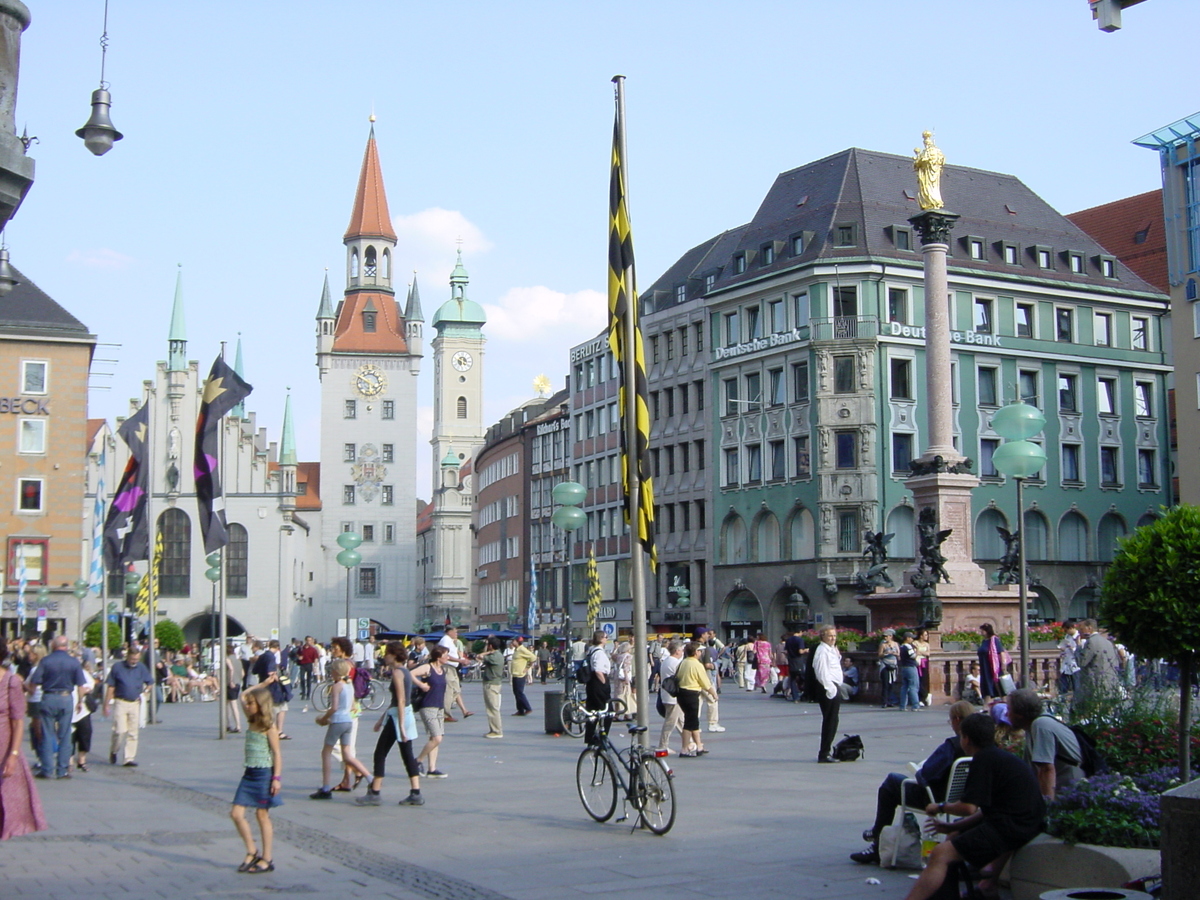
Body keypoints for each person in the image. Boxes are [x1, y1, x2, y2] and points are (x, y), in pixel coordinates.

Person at [902, 713, 1045, 900]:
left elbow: (968, 808)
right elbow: (987, 810)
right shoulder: (998, 756)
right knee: (953, 837)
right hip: (1027, 821)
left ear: (966, 738)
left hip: (1014, 827)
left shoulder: (983, 760)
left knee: (941, 853)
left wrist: (940, 807)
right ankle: (982, 887)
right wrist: (953, 827)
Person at [850, 700, 976, 863]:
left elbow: (927, 774)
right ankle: (876, 836)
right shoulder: (975, 747)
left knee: (891, 782)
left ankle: (877, 839)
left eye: (951, 720)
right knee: (895, 782)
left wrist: (919, 770)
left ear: (957, 719)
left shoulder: (951, 746)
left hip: (932, 797)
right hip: (955, 797)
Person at [358, 642, 423, 807]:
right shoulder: (406, 671)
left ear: (394, 655)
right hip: (404, 715)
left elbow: (400, 699)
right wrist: (381, 719)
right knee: (407, 754)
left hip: (398, 718)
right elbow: (398, 701)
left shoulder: (397, 673)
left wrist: (400, 725)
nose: (384, 656)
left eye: (387, 653)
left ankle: (375, 792)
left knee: (380, 753)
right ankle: (415, 792)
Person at [230, 686, 282, 874]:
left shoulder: (269, 727)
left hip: (264, 774)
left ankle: (267, 858)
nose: (248, 705)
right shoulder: (251, 719)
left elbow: (277, 753)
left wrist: (276, 778)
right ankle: (252, 850)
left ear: (260, 705)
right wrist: (263, 684)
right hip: (249, 773)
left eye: (252, 703)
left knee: (262, 815)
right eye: (249, 703)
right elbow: (242, 695)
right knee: (236, 813)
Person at [0, 636, 47, 839]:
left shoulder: (10, 681)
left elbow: (18, 721)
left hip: (3, 750)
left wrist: (14, 754)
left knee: (6, 805)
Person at [1006, 688, 1083, 801]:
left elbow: (1047, 769)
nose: (1006, 713)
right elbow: (1030, 772)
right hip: (1063, 792)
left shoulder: (1041, 725)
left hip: (1067, 796)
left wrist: (1047, 807)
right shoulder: (1032, 727)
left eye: (1008, 709)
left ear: (1020, 714)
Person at [310, 659, 372, 799]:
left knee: (326, 752)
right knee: (347, 755)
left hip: (338, 721)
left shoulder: (337, 686)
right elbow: (352, 706)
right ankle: (370, 777)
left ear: (335, 672)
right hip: (348, 721)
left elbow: (334, 708)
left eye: (331, 670)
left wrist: (324, 718)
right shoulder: (349, 684)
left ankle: (325, 787)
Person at [28, 636, 87, 780]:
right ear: (66, 646)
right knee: (65, 735)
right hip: (66, 698)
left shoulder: (46, 661)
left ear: (53, 646)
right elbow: (81, 685)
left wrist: (30, 693)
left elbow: (34, 681)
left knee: (47, 734)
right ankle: (62, 770)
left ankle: (47, 770)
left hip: (48, 697)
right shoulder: (73, 662)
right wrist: (80, 701)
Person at [104, 647, 152, 766]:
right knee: (120, 730)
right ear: (127, 657)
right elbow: (111, 686)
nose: (134, 661)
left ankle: (129, 758)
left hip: (135, 702)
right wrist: (106, 704)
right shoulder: (118, 667)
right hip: (121, 701)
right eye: (132, 659)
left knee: (133, 732)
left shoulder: (141, 667)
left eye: (136, 659)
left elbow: (150, 682)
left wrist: (146, 691)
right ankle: (114, 750)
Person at [409, 645, 449, 778]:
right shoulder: (428, 668)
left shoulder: (442, 670)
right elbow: (410, 674)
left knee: (435, 738)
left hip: (439, 707)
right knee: (437, 738)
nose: (448, 657)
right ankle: (417, 760)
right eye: (446, 655)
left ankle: (432, 768)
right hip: (427, 706)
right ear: (438, 656)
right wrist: (421, 685)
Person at [674, 642, 714, 757]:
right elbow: (705, 683)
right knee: (689, 723)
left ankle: (699, 746)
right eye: (700, 651)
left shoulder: (683, 662)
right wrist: (713, 694)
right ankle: (684, 749)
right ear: (696, 652)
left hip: (681, 694)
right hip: (691, 694)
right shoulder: (696, 664)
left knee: (693, 720)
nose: (701, 653)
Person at [814, 626, 845, 763]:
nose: (833, 638)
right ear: (823, 636)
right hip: (828, 687)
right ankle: (824, 753)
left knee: (833, 720)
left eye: (834, 635)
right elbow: (821, 671)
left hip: (834, 685)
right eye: (830, 636)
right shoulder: (822, 651)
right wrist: (830, 689)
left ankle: (826, 750)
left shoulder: (831, 649)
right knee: (830, 720)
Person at [1076, 619, 1121, 703]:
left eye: (1081, 629)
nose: (1079, 632)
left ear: (1089, 628)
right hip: (1111, 682)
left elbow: (1082, 662)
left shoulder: (1091, 641)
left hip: (1096, 683)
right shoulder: (1107, 642)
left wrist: (1078, 647)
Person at [437, 626, 473, 722]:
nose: (456, 634)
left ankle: (463, 711)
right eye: (455, 632)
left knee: (456, 689)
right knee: (449, 691)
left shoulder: (450, 641)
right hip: (447, 667)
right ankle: (445, 714)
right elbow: (446, 656)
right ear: (449, 632)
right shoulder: (445, 640)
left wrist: (461, 659)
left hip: (453, 668)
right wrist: (459, 660)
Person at [655, 641, 685, 755]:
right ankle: (662, 745)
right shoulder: (675, 663)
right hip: (673, 697)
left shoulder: (666, 661)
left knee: (680, 720)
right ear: (677, 651)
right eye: (681, 650)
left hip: (667, 695)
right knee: (671, 722)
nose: (682, 652)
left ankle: (690, 742)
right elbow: (681, 677)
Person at [582, 630, 612, 745]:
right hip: (599, 682)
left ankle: (589, 737)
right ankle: (602, 738)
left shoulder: (591, 650)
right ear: (600, 639)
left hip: (591, 683)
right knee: (608, 712)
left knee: (592, 711)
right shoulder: (599, 653)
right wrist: (604, 682)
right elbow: (598, 670)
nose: (607, 639)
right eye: (605, 637)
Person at [71, 661, 98, 773]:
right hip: (68, 709)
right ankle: (69, 761)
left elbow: (90, 685)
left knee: (85, 734)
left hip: (83, 710)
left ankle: (82, 760)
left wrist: (85, 691)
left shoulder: (82, 672)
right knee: (69, 737)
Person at [479, 637, 505, 739]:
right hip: (495, 683)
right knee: (493, 708)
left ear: (490, 646)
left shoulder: (494, 657)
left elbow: (480, 656)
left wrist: (486, 650)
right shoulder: (498, 654)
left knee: (492, 708)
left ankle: (497, 731)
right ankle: (493, 729)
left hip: (491, 684)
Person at [977, 623, 1006, 702]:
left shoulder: (994, 640)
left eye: (982, 630)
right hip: (985, 666)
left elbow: (1001, 652)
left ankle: (1004, 701)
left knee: (998, 684)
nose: (981, 632)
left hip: (993, 666)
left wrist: (1003, 664)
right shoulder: (984, 641)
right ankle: (987, 704)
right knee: (986, 684)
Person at [509, 637, 535, 716]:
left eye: (513, 641)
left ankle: (528, 708)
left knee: (519, 692)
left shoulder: (522, 649)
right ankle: (520, 710)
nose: (512, 642)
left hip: (520, 674)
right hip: (515, 674)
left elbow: (533, 657)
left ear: (517, 642)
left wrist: (527, 668)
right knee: (516, 693)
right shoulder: (516, 650)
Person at [1055, 620, 1080, 697]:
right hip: (1066, 663)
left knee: (1076, 685)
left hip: (1075, 665)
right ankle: (1062, 700)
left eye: (1066, 630)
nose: (1066, 632)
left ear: (1071, 628)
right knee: (1063, 685)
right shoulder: (1067, 637)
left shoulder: (1079, 636)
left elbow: (1081, 650)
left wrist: (1073, 648)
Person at [785, 627, 809, 702]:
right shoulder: (800, 640)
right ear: (800, 632)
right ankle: (806, 694)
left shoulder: (788, 640)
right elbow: (800, 651)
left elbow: (786, 651)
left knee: (792, 679)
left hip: (791, 661)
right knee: (804, 677)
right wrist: (806, 650)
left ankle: (795, 697)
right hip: (798, 661)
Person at [898, 631, 921, 712]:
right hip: (911, 667)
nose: (912, 639)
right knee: (913, 686)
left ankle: (902, 705)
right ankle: (915, 705)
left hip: (904, 668)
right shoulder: (908, 647)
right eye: (911, 638)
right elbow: (913, 656)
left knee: (904, 687)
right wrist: (917, 651)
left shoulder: (901, 646)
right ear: (907, 638)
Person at [877, 629, 900, 708]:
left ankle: (890, 700)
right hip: (885, 665)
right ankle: (884, 701)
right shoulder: (883, 645)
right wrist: (885, 653)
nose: (885, 638)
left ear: (891, 636)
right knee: (885, 684)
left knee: (892, 684)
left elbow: (898, 654)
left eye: (887, 636)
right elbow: (879, 654)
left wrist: (894, 653)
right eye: (884, 636)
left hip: (893, 665)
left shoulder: (895, 644)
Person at [224, 643, 243, 733]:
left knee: (232, 705)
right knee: (229, 704)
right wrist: (238, 679)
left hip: (230, 684)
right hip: (238, 683)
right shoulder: (238, 660)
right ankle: (228, 724)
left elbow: (231, 669)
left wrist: (230, 680)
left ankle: (237, 725)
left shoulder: (227, 659)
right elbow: (243, 673)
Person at [913, 628, 932, 706]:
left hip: (924, 663)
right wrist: (921, 652)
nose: (926, 636)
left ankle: (923, 698)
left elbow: (928, 653)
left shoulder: (927, 644)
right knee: (917, 680)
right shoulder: (915, 643)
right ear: (921, 636)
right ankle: (923, 696)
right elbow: (915, 652)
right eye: (925, 635)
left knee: (923, 680)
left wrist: (920, 652)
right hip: (917, 662)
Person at [297, 636, 319, 700]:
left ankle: (308, 694)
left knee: (309, 680)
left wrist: (315, 667)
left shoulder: (313, 649)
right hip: (302, 665)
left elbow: (315, 658)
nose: (308, 642)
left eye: (310, 640)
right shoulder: (301, 648)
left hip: (309, 664)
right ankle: (303, 693)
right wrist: (299, 657)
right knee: (302, 679)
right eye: (307, 640)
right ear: (305, 641)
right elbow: (297, 654)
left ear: (312, 641)